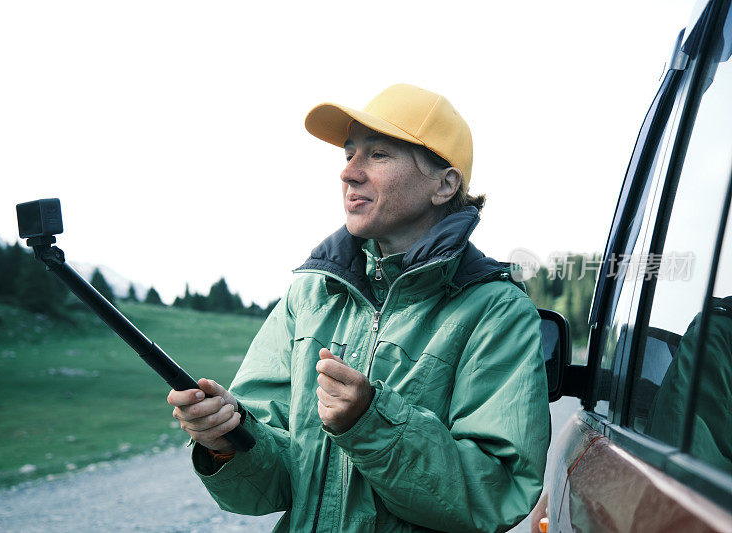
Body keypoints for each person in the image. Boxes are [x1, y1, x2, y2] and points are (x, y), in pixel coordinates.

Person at [167, 83, 550, 532]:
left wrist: (371, 422)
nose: (349, 173)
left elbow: (498, 492)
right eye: (349, 155)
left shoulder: (497, 312)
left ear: (445, 184)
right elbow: (275, 484)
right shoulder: (309, 295)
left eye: (378, 155)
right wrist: (226, 438)